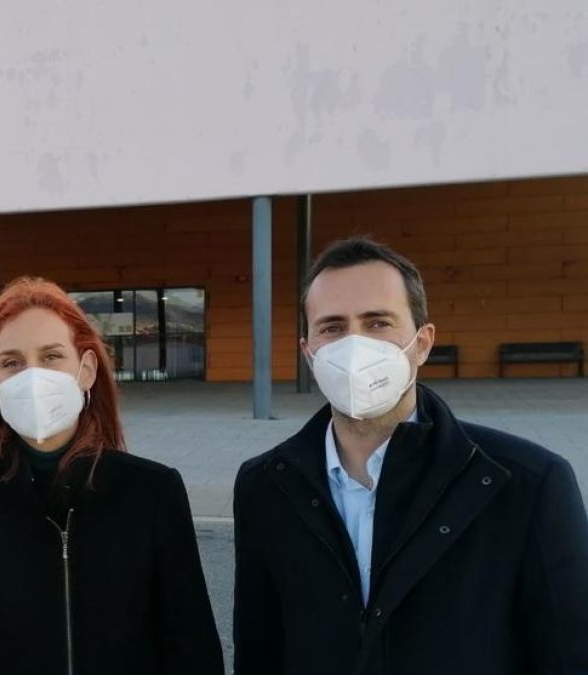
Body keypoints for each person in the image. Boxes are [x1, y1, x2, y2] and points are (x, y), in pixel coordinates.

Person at [233, 237, 588, 674]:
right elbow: (260, 648)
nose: (354, 346)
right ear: (309, 351)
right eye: (332, 328)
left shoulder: (527, 483)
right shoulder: (265, 485)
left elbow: (570, 653)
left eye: (378, 323)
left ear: (422, 343)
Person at [0, 277, 224, 675]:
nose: (32, 377)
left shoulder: (152, 494)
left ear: (85, 371)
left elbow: (191, 646)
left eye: (51, 356)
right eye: (12, 362)